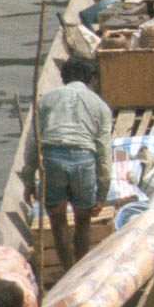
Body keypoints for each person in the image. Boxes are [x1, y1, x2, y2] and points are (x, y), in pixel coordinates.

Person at [33, 56, 113, 270]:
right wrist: (102, 192)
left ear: (63, 78)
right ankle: (80, 270)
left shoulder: (46, 100)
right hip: (83, 160)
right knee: (83, 220)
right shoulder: (100, 106)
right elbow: (104, 153)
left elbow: (33, 143)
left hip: (52, 160)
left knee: (58, 221)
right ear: (93, 78)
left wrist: (28, 180)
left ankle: (67, 269)